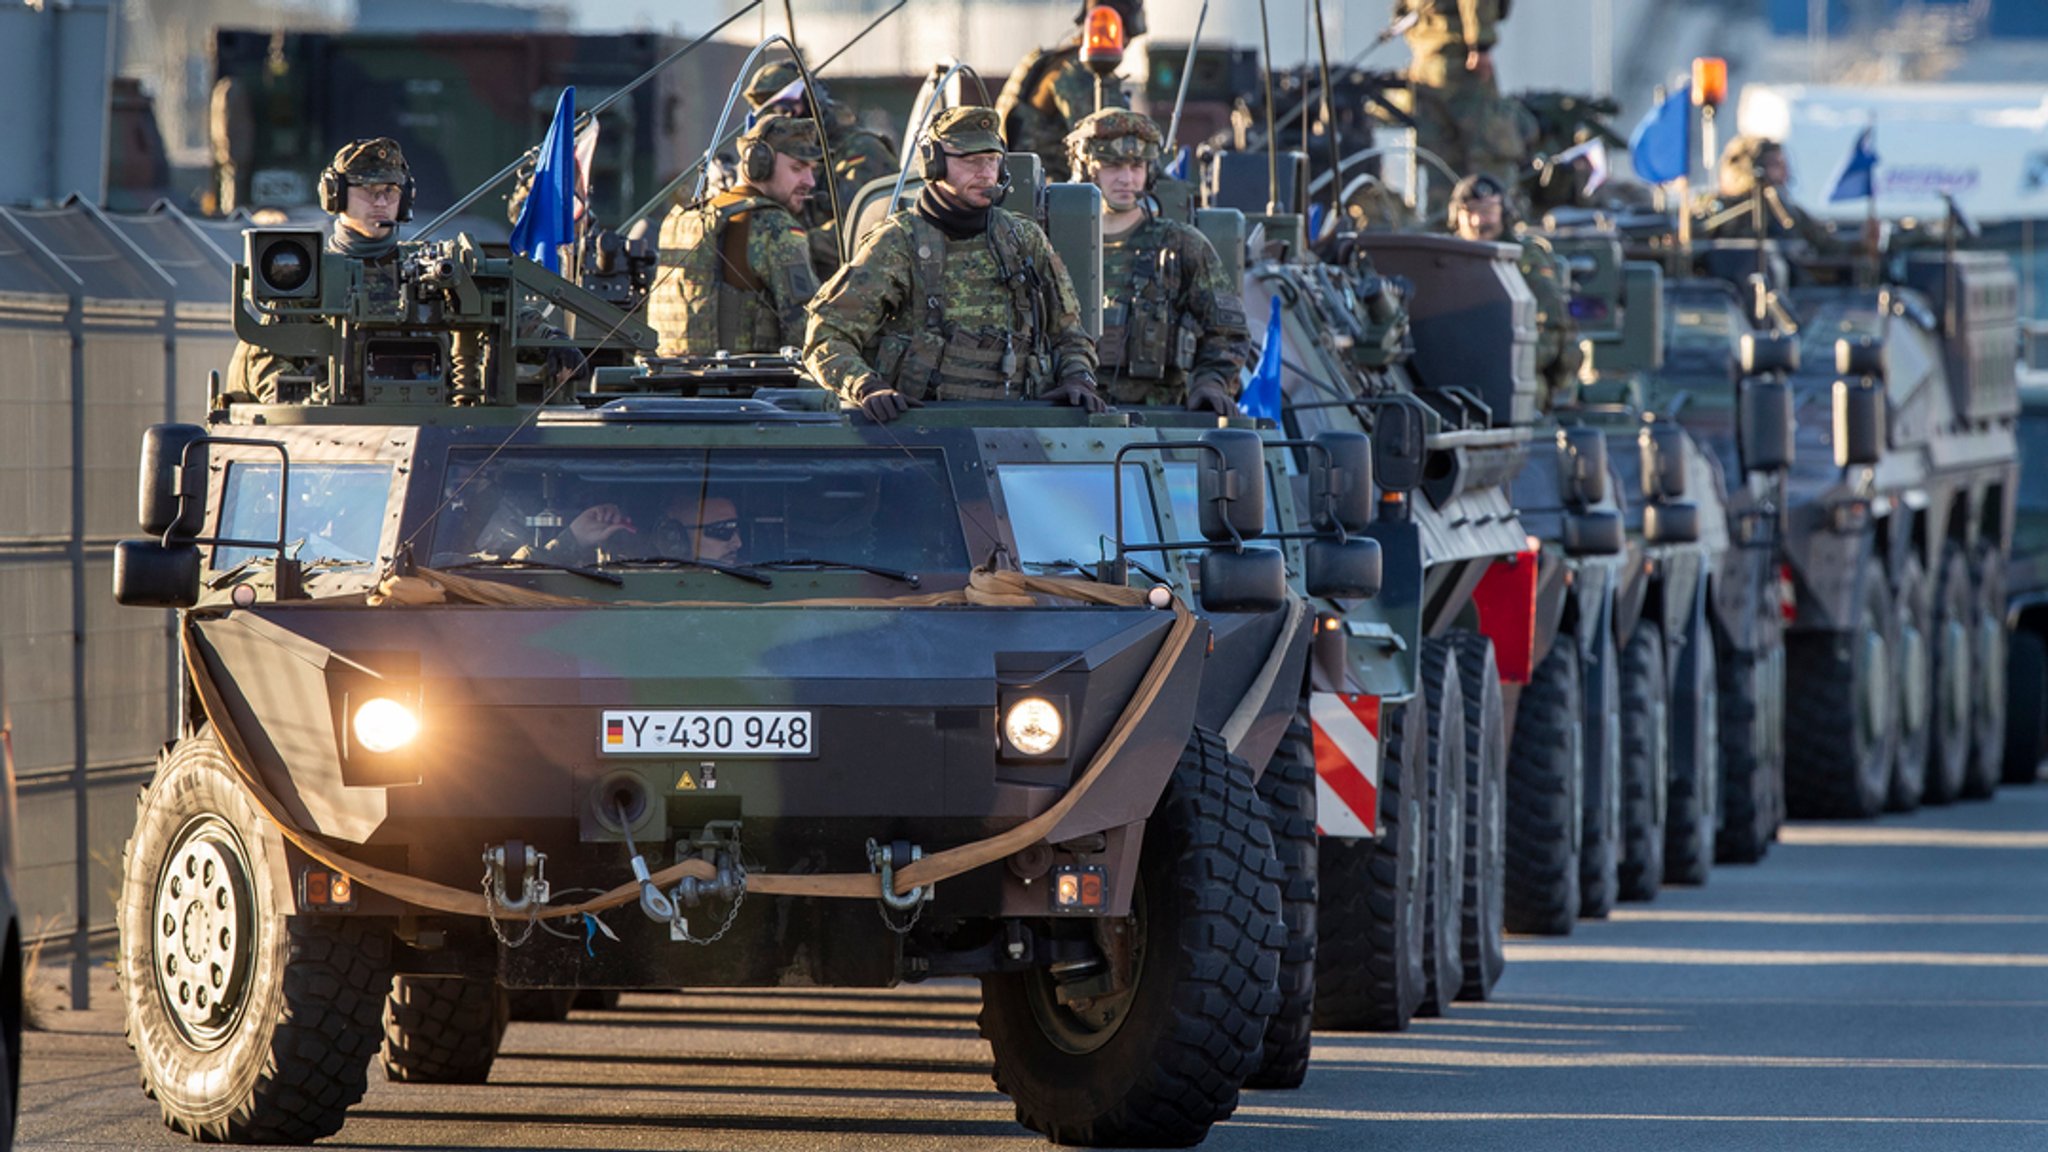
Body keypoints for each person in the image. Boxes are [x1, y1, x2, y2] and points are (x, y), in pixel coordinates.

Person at [804, 105, 1105, 423]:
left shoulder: (1023, 238)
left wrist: (1078, 378)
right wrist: (866, 387)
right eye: (971, 161)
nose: (986, 173)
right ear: (933, 164)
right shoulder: (897, 243)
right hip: (927, 432)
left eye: (992, 159)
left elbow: (1068, 331)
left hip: (1018, 429)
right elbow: (826, 335)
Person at [1067, 109, 1247, 413]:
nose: (1127, 178)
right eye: (1112, 166)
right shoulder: (1058, 242)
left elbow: (1228, 330)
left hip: (1158, 417)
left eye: (1136, 166)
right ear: (1088, 169)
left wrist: (1210, 382)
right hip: (1072, 416)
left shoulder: (1180, 244)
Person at [224, 137, 415, 403]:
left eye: (390, 191)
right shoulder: (305, 275)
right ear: (335, 194)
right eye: (368, 190)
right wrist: (310, 403)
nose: (381, 202)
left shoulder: (423, 273)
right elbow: (264, 362)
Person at [650, 115, 824, 358]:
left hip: (669, 382)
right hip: (745, 387)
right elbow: (808, 328)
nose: (809, 181)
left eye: (812, 170)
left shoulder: (684, 218)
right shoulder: (774, 225)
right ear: (758, 165)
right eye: (797, 168)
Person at [743, 60, 898, 277]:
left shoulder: (862, 151)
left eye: (786, 105)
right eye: (769, 110)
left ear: (812, 100)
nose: (781, 116)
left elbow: (868, 231)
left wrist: (789, 243)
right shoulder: (776, 158)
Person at [1449, 172, 1580, 409]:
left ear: (1504, 212)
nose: (1478, 221)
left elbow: (1552, 326)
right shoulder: (1443, 259)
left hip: (1512, 370)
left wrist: (1511, 360)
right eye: (1470, 211)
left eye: (1487, 210)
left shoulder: (1525, 258)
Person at [1390, 0, 1529, 215]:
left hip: (1425, 61)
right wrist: (1480, 44)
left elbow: (1400, 12)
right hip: (1460, 61)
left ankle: (1444, 226)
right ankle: (1495, 221)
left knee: (1441, 161)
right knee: (1491, 152)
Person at [996, 0, 1141, 182]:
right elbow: (1112, 141)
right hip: (1048, 187)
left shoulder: (1055, 61)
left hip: (1025, 181)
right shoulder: (1079, 73)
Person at [1693, 135, 1854, 258]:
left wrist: (1863, 244)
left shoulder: (1785, 209)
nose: (1785, 172)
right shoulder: (1719, 208)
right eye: (1776, 164)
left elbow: (1824, 242)